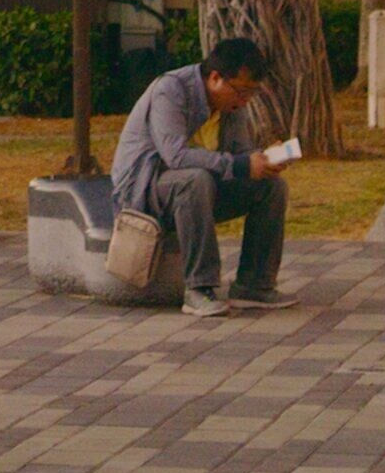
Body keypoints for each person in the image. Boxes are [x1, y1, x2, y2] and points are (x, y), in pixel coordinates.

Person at [111, 36, 297, 319]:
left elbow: (239, 153)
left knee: (271, 187)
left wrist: (264, 160)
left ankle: (254, 285)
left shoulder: (230, 105)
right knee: (194, 179)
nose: (245, 100)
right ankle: (199, 288)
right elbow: (175, 156)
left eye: (252, 93)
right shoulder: (171, 90)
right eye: (241, 91)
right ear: (215, 78)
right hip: (146, 189)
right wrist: (241, 164)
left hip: (200, 188)